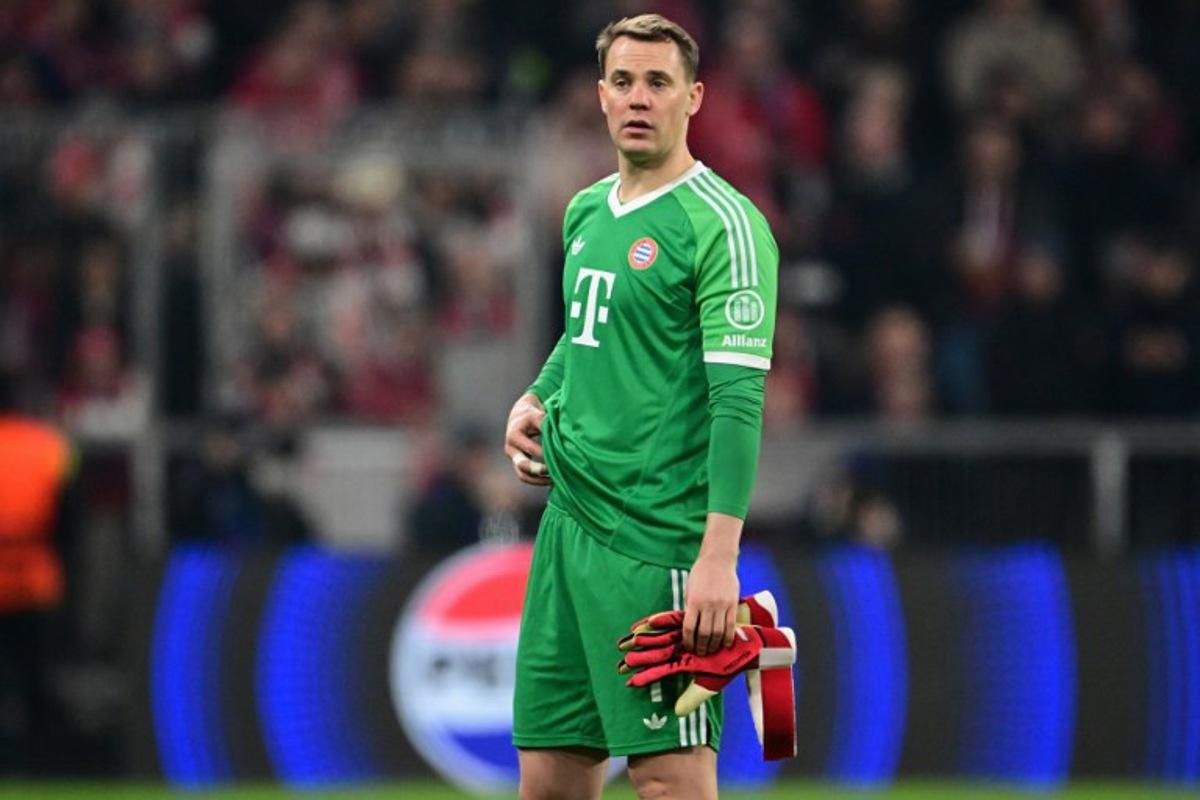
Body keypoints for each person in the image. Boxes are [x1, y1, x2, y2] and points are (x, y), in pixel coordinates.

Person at [503, 15, 778, 799]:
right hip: (565, 530)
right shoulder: (586, 211)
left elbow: (738, 399)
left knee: (669, 784)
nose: (638, 98)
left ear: (693, 98)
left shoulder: (723, 225)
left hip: (655, 542)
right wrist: (537, 395)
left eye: (658, 83)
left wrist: (717, 559)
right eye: (623, 81)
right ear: (599, 96)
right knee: (550, 783)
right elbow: (586, 335)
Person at [0, 370, 76, 774]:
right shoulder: (46, 444)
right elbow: (68, 520)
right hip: (35, 580)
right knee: (35, 679)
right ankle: (38, 761)